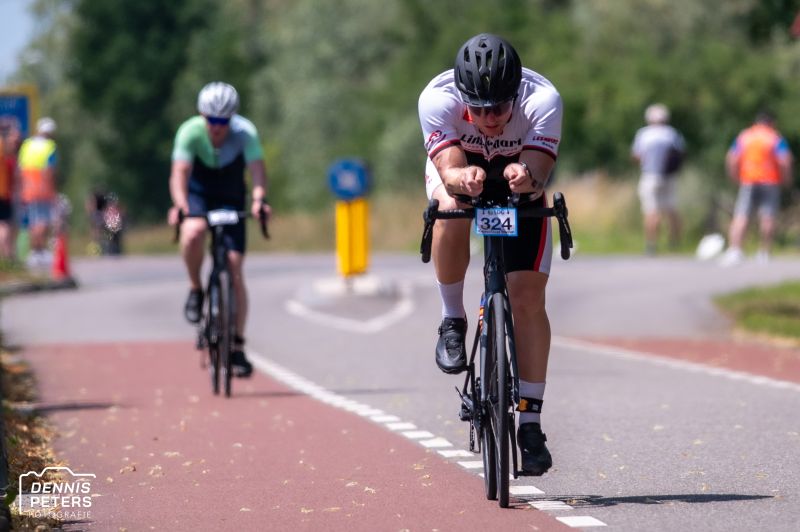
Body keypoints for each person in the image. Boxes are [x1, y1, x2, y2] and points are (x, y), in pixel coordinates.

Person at [418, 33, 562, 476]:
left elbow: (540, 170)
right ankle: (452, 319)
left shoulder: (542, 99)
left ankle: (530, 424)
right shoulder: (437, 99)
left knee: (527, 298)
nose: (489, 118)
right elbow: (448, 168)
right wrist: (462, 177)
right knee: (449, 206)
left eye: (499, 108)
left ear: (516, 93)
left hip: (518, 181)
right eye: (477, 109)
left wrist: (526, 174)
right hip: (462, 174)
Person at [168, 82, 270, 378]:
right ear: (202, 116)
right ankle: (195, 288)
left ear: (232, 119)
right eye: (211, 120)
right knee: (193, 232)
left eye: (223, 121)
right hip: (199, 193)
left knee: (235, 268)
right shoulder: (189, 132)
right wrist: (181, 205)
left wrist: (259, 201)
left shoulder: (245, 133)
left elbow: (257, 171)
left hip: (230, 194)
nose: (216, 127)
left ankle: (237, 345)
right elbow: (179, 174)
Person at [719, 112, 793, 266]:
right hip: (770, 180)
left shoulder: (745, 136)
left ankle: (735, 250)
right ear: (771, 123)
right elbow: (785, 160)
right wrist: (787, 179)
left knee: (741, 215)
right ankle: (764, 252)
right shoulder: (775, 138)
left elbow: (732, 157)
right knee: (768, 216)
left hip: (748, 179)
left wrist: (734, 176)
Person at [631, 103, 686, 255]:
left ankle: (651, 245)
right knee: (671, 210)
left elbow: (636, 155)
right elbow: (682, 153)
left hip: (650, 175)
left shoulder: (644, 134)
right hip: (670, 177)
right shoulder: (672, 134)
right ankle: (674, 242)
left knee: (651, 211)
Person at [17, 117, 58, 269]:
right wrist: (53, 190)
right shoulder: (49, 146)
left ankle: (34, 252)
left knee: (33, 221)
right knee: (43, 221)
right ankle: (40, 251)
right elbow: (50, 170)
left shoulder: (27, 145)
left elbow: (20, 168)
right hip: (43, 188)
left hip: (28, 188)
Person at [0, 119, 21, 260]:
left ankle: (6, 255)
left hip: (5, 192)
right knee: (5, 225)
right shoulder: (6, 154)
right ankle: (7, 256)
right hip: (4, 193)